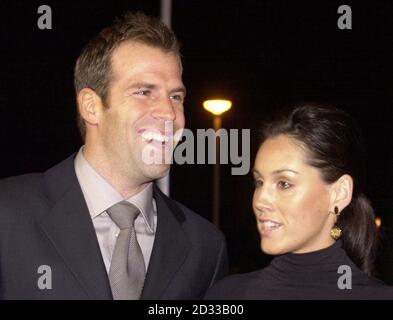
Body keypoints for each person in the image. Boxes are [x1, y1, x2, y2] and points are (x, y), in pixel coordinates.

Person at [0, 12, 228, 300]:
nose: (169, 114)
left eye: (176, 96)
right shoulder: (7, 214)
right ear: (91, 106)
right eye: (144, 91)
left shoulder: (205, 247)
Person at [205, 102, 393, 299]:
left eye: (284, 183)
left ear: (339, 193)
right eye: (259, 182)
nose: (260, 200)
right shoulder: (226, 295)